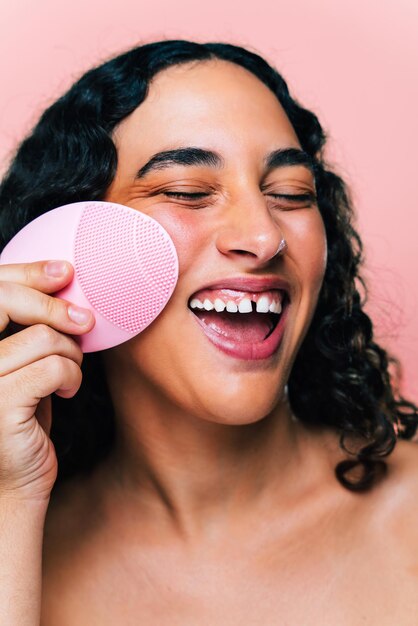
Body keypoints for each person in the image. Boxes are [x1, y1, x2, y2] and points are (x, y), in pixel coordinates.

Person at [0, 39, 417, 625]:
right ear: (68, 245)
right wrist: (11, 501)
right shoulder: (21, 537)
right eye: (187, 192)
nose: (263, 235)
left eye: (291, 195)